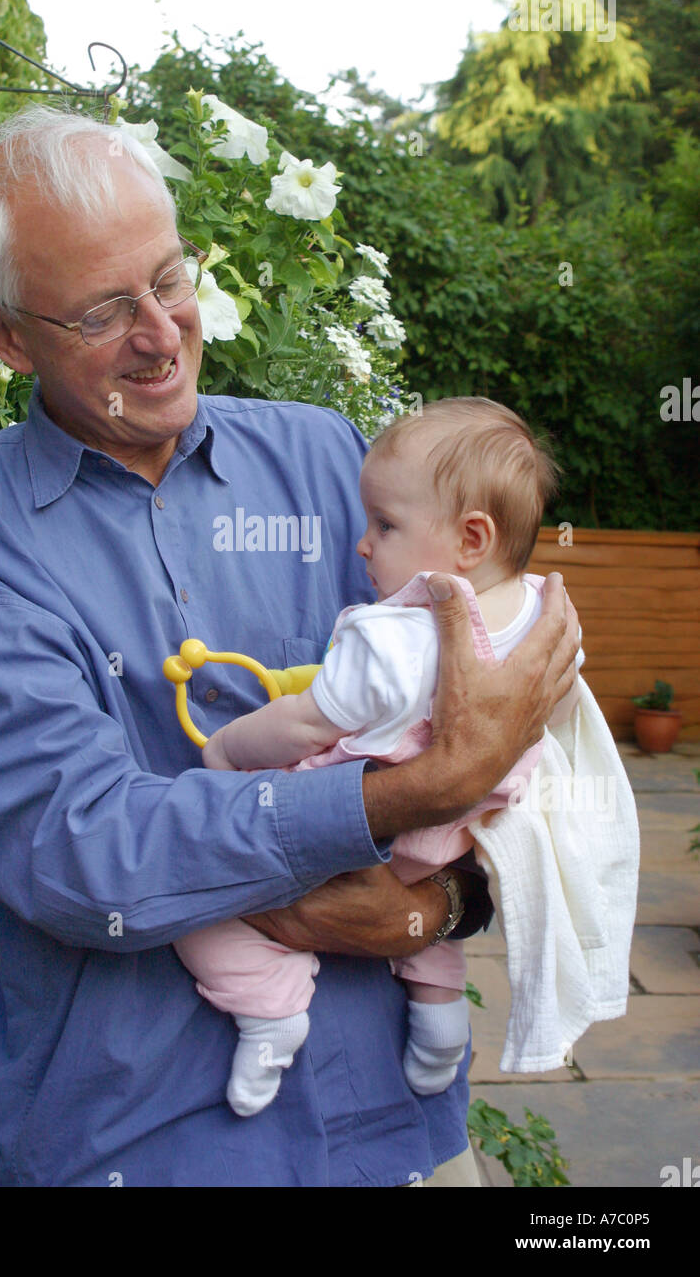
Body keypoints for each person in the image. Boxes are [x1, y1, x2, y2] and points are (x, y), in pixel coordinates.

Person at [0, 106, 578, 1187]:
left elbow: (499, 741)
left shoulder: (325, 459)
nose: (160, 332)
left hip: (397, 1131)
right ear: (7, 334)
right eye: (105, 310)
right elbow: (81, 846)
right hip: (142, 1144)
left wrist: (428, 905)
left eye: (168, 277)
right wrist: (387, 801)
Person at [186, 397, 581, 1116]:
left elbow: (309, 723)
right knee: (417, 915)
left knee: (200, 898)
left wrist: (227, 747)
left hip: (358, 825)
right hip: (459, 838)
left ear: (470, 538)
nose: (363, 546)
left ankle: (269, 1008)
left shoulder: (394, 638)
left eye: (386, 526)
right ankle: (437, 1018)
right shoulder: (539, 618)